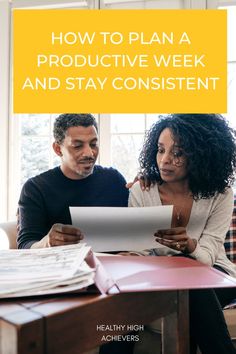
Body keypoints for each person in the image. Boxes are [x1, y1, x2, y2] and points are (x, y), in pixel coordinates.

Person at [129, 113, 236, 354]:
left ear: (201, 156)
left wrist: (189, 245)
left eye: (177, 153)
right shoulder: (142, 191)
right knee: (188, 294)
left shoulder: (221, 194)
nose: (164, 160)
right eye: (160, 149)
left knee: (189, 292)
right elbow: (140, 252)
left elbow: (208, 255)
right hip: (163, 280)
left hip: (215, 274)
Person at [17, 113, 129, 249]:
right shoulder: (35, 188)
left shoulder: (114, 179)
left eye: (93, 144)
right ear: (58, 149)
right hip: (60, 267)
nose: (89, 153)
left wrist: (146, 184)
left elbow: (135, 228)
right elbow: (25, 245)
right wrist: (47, 242)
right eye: (77, 146)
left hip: (113, 266)